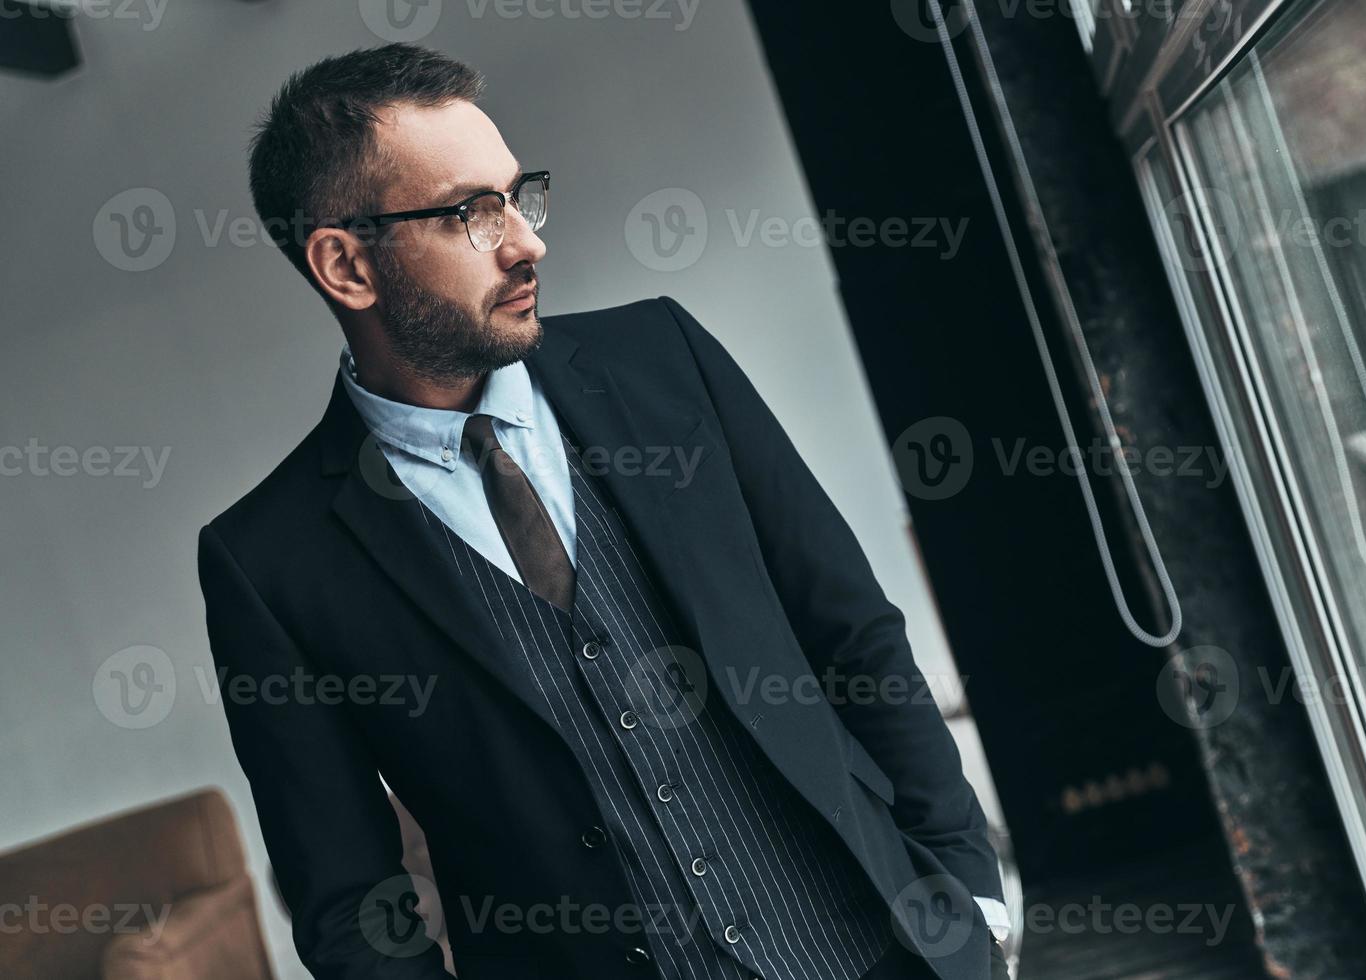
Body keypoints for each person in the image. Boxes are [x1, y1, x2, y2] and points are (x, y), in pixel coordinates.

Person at [198, 42, 1010, 980]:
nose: (526, 241)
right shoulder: (270, 561)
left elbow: (852, 632)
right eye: (472, 212)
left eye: (517, 195)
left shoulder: (665, 361)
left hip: (878, 951)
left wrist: (969, 894)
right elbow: (349, 906)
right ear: (346, 266)